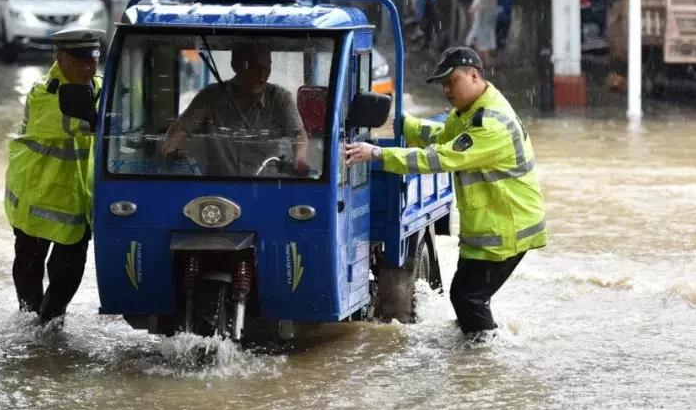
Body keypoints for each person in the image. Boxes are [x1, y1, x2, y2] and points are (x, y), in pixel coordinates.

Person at [345, 46, 547, 339]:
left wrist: (377, 153)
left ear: (474, 76)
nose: (446, 89)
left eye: (451, 81)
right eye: (443, 83)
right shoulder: (468, 112)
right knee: (467, 299)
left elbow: (438, 157)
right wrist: (403, 122)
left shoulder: (490, 124)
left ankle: (481, 362)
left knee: (467, 298)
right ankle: (479, 347)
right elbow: (442, 137)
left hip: (507, 231)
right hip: (488, 229)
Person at [4, 28, 104, 325]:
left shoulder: (99, 87)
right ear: (59, 58)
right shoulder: (44, 94)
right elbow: (90, 123)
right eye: (79, 60)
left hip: (75, 202)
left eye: (93, 58)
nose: (88, 66)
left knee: (68, 274)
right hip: (37, 198)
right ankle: (30, 328)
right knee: (29, 271)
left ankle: (48, 328)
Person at [162, 46, 310, 176]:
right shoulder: (210, 96)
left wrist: (300, 159)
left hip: (267, 188)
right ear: (236, 66)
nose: (263, 75)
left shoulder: (279, 98)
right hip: (218, 191)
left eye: (267, 67)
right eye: (255, 67)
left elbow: (298, 133)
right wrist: (169, 149)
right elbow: (181, 127)